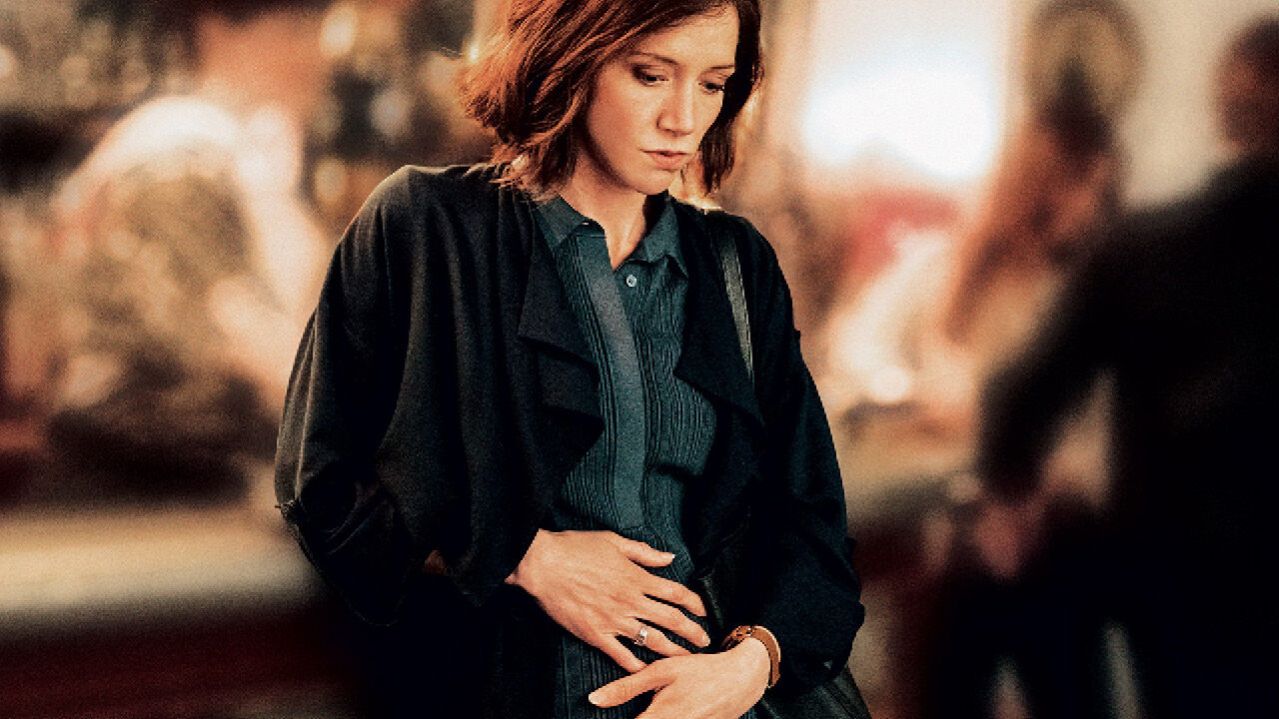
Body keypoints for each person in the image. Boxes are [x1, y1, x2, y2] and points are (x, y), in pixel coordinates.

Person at [273, 1, 864, 718]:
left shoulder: (737, 266)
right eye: (650, 75)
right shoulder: (425, 227)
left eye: (713, 84)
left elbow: (812, 523)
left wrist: (747, 666)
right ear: (570, 58)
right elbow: (321, 486)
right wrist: (526, 557)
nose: (683, 118)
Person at [975, 15, 1279, 718]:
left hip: (1176, 568)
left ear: (1224, 110)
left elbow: (1021, 398)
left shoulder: (1146, 248)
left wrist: (1009, 488)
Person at [45, 0, 330, 501]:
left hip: (204, 481)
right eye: (294, 29)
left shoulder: (241, 151)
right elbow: (244, 337)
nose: (319, 54)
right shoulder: (174, 153)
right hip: (143, 491)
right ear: (216, 31)